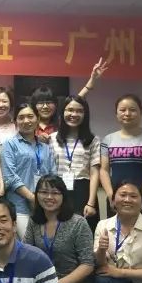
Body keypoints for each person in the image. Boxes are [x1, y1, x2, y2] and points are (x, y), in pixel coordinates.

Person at [24, 175, 94, 283]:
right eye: (44, 192)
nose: (49, 197)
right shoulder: (34, 221)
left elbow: (87, 264)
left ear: (63, 196)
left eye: (55, 193)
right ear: (37, 195)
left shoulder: (78, 223)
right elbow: (25, 254)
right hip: (41, 282)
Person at [100, 94, 142, 227]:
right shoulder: (108, 139)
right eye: (122, 110)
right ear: (116, 114)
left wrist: (140, 196)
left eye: (132, 110)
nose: (127, 113)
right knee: (116, 236)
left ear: (141, 113)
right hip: (118, 201)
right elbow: (104, 170)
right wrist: (111, 195)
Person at [1, 103, 56, 238]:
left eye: (30, 116)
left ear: (37, 119)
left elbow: (52, 175)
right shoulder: (10, 144)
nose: (26, 121)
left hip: (44, 206)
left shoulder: (45, 147)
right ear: (15, 122)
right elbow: (10, 177)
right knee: (28, 243)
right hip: (19, 205)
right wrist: (32, 198)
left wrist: (43, 199)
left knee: (46, 242)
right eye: (21, 117)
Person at [49, 95, 101, 232]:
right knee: (58, 232)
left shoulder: (93, 140)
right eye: (70, 110)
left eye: (79, 111)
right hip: (58, 189)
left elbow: (95, 172)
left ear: (85, 114)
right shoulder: (52, 139)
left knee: (83, 233)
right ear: (63, 112)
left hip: (83, 190)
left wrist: (91, 202)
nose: (74, 114)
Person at [32, 58, 108, 142]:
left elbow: (77, 99)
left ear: (56, 104)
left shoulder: (63, 121)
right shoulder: (28, 122)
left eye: (49, 102)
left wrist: (92, 79)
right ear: (34, 105)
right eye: (41, 103)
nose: (45, 106)